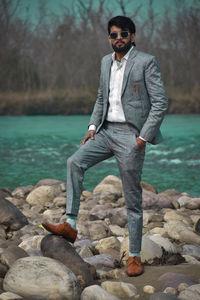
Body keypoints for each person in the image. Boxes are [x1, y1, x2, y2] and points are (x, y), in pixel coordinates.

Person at [42, 16, 168, 276]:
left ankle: (134, 256)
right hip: (105, 131)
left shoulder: (146, 61)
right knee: (74, 162)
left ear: (132, 36)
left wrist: (143, 138)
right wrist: (91, 128)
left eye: (123, 34)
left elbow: (160, 103)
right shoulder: (104, 62)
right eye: (113, 35)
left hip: (131, 136)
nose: (118, 38)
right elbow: (101, 98)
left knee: (132, 199)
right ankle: (70, 223)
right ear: (108, 38)